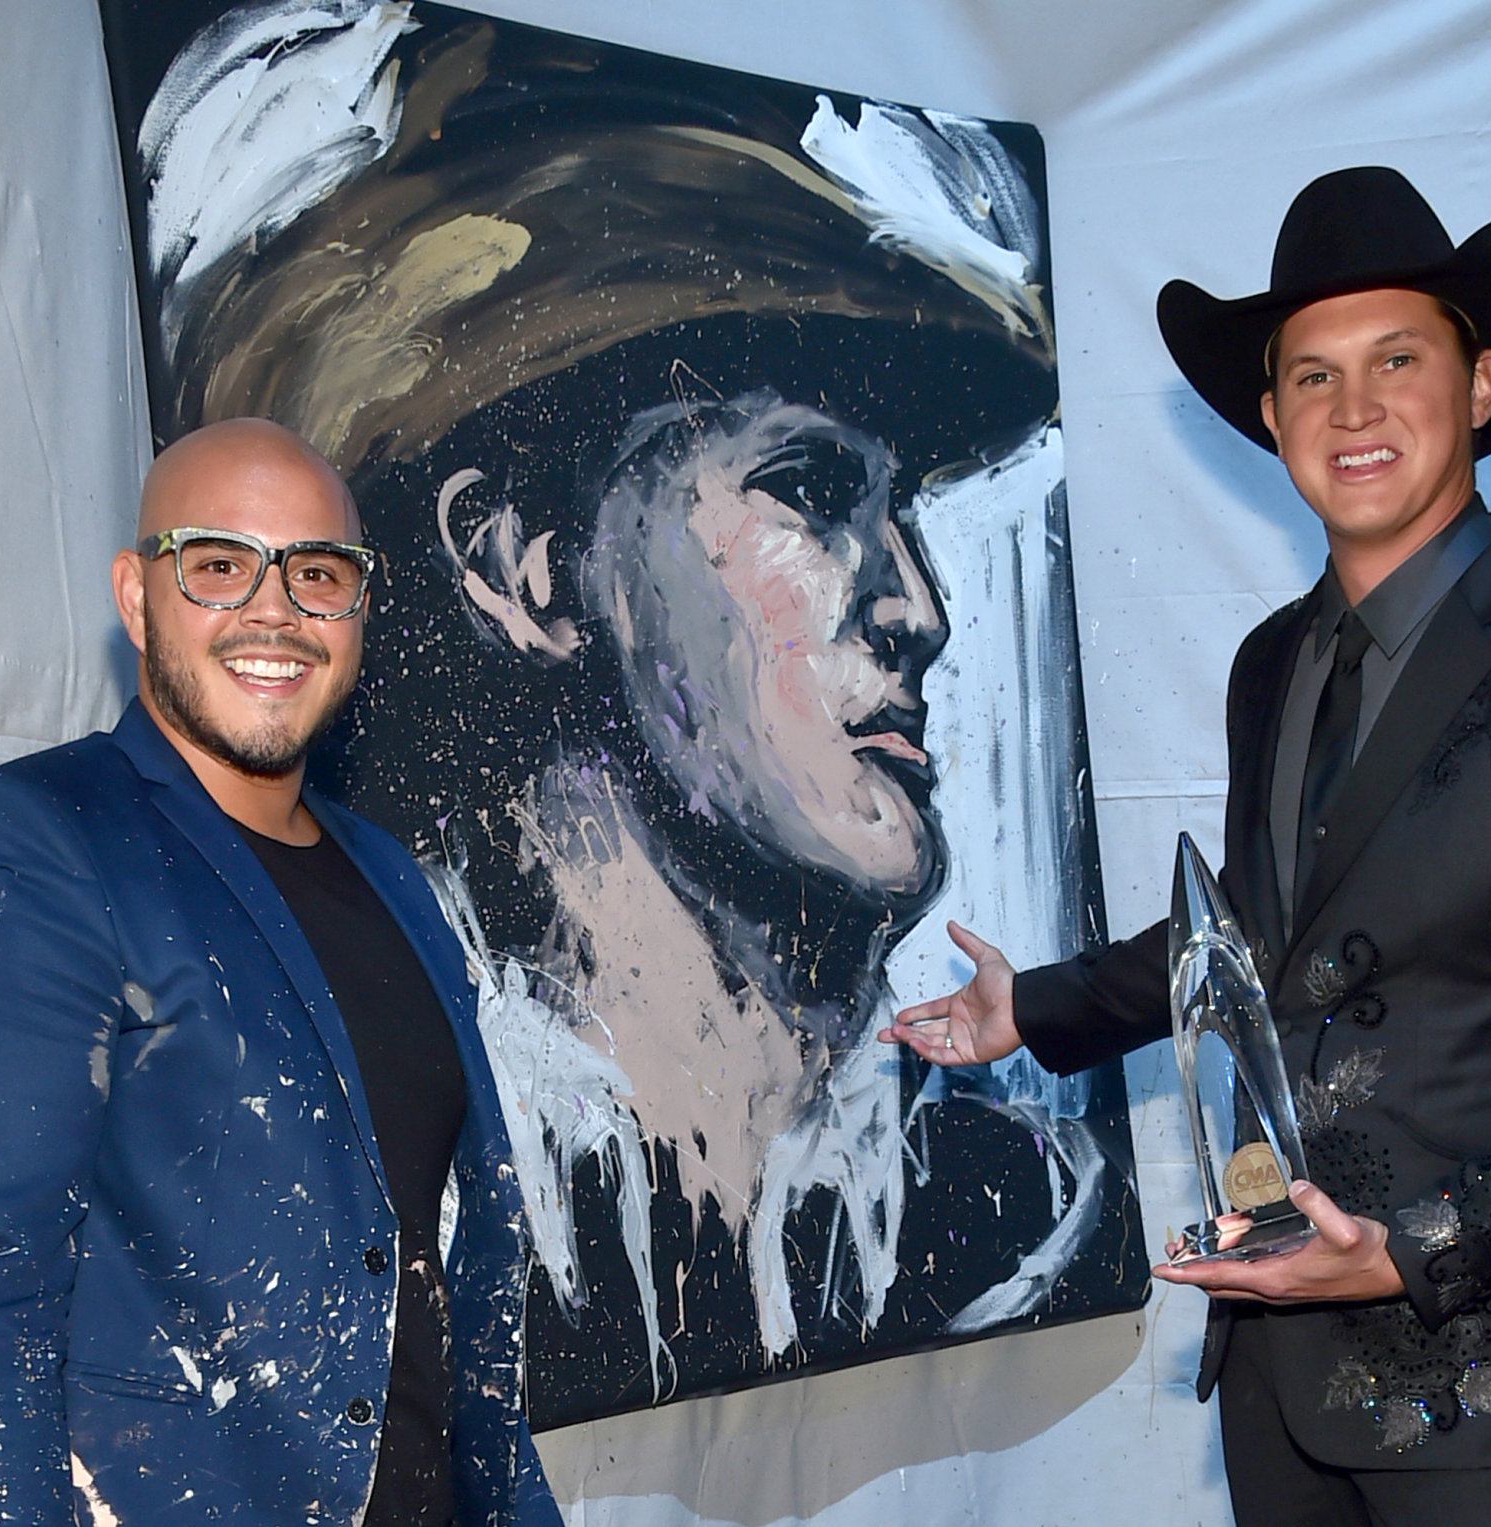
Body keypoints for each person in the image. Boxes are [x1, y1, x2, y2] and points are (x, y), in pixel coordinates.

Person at [122, 0, 1146, 1428]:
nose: (918, 600)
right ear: (527, 566)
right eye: (811, 490)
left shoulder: (1021, 1211)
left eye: (901, 504)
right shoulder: (373, 1209)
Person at [885, 166, 1491, 1525]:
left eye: (1396, 359)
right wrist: (1033, 1006)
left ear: (1479, 387)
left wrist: (1412, 1252)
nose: (1354, 408)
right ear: (1273, 416)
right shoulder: (1272, 663)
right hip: (1275, 1354)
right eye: (1312, 375)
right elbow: (1267, 936)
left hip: (1475, 1376)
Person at [0, 418, 562, 1527]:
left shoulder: (389, 874)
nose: (274, 611)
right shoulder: (35, 844)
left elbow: (442, 1284)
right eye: (216, 565)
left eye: (317, 574)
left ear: (358, 611)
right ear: (136, 595)